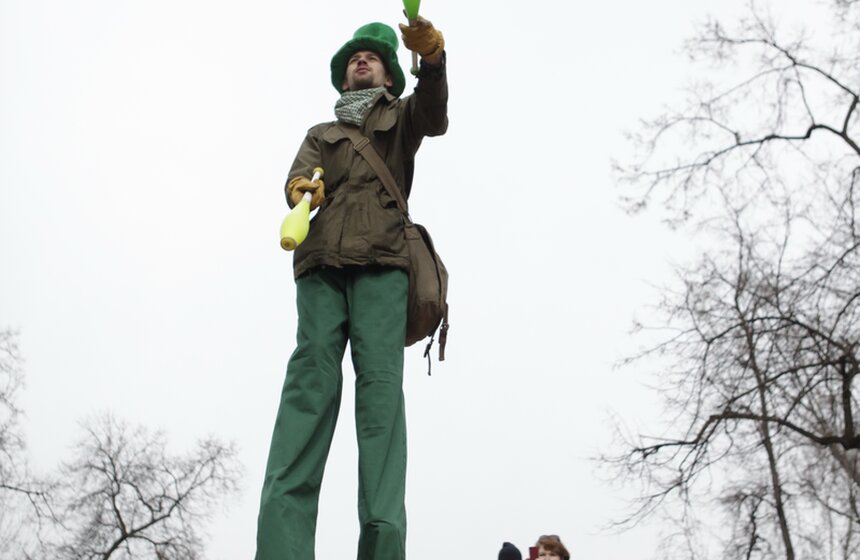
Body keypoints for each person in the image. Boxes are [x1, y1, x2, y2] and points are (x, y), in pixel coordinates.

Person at [254, 15, 448, 560]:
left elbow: (434, 116)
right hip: (320, 266)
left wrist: (431, 59)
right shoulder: (322, 135)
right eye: (353, 61)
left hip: (384, 264)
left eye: (372, 58)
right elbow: (300, 176)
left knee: (381, 397)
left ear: (389, 76)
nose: (361, 63)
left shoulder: (403, 118)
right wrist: (302, 190)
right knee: (308, 388)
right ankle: (280, 549)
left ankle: (382, 547)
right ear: (344, 81)